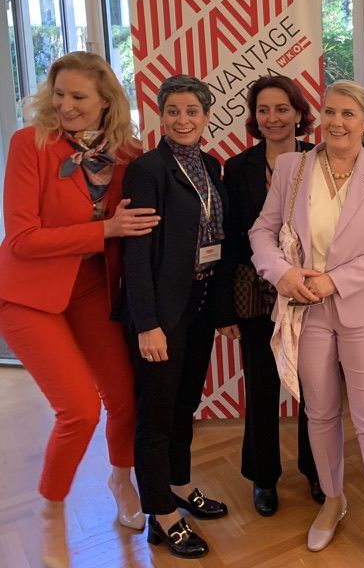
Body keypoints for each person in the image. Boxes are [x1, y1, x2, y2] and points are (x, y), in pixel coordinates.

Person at [249, 80, 364, 567]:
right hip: (306, 309)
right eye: (329, 112)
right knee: (320, 414)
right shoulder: (293, 166)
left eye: (348, 114)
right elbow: (262, 230)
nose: (337, 122)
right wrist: (281, 274)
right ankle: (333, 499)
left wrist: (335, 280)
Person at [0, 51, 158, 568]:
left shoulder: (128, 154)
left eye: (78, 97)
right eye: (60, 94)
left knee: (125, 399)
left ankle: (121, 480)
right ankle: (51, 511)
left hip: (92, 290)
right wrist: (105, 229)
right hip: (28, 296)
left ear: (106, 101)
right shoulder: (29, 144)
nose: (66, 105)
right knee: (80, 410)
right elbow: (22, 240)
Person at [122, 75, 233, 559]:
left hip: (200, 301)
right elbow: (136, 254)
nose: (182, 120)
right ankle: (161, 514)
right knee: (156, 411)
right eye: (173, 111)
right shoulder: (147, 170)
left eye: (192, 111)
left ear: (206, 116)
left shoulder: (211, 165)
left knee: (185, 401)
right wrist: (147, 323)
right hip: (162, 311)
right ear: (160, 116)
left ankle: (180, 484)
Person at [221, 75, 320, 516]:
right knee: (261, 387)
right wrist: (225, 309)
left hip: (309, 291)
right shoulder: (237, 168)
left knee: (315, 387)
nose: (273, 117)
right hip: (256, 294)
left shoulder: (320, 160)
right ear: (254, 117)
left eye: (282, 108)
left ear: (299, 113)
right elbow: (229, 241)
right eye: (263, 110)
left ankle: (317, 470)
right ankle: (263, 477)